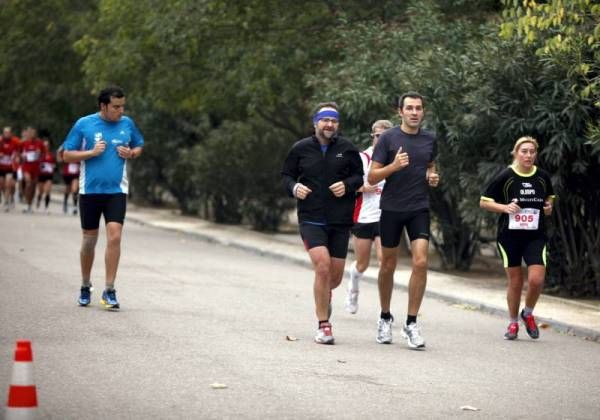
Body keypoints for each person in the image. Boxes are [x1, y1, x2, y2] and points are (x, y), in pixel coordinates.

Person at [282, 102, 363, 344]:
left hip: (340, 220)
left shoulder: (347, 149)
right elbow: (286, 175)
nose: (329, 125)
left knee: (334, 278)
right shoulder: (301, 149)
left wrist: (347, 185)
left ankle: (324, 296)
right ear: (315, 122)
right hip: (311, 218)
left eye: (334, 121)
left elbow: (359, 177)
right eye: (325, 120)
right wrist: (294, 187)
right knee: (323, 267)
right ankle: (323, 325)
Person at [368, 92, 439, 349]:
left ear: (423, 112)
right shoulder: (388, 138)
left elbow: (430, 164)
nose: (414, 112)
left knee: (421, 262)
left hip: (419, 208)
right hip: (392, 209)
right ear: (400, 112)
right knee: (388, 265)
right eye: (409, 108)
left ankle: (411, 323)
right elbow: (373, 177)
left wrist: (432, 175)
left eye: (418, 108)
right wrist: (394, 166)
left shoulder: (430, 138)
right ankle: (385, 316)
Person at [62, 86, 144, 310]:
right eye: (116, 107)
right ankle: (85, 285)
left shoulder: (127, 123)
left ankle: (109, 290)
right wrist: (90, 153)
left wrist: (132, 153)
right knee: (89, 240)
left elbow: (138, 145)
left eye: (122, 106)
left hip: (116, 191)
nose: (121, 110)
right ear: (103, 106)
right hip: (90, 192)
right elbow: (66, 154)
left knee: (115, 236)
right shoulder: (84, 124)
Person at [480, 136, 555, 340]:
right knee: (515, 281)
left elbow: (549, 198)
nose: (528, 155)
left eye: (532, 151)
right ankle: (513, 323)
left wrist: (548, 207)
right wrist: (504, 207)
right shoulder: (506, 176)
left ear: (536, 154)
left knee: (537, 279)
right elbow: (484, 202)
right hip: (509, 236)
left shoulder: (542, 176)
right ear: (516, 153)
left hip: (535, 236)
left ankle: (528, 313)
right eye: (524, 151)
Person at [345, 119, 393, 314]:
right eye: (378, 136)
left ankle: (384, 308)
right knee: (362, 264)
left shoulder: (395, 160)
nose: (381, 140)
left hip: (385, 216)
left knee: (385, 261)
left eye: (386, 137)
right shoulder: (362, 157)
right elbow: (347, 182)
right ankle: (353, 288)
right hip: (364, 216)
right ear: (372, 136)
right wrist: (362, 187)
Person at [20, 127, 46, 213]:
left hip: (36, 168)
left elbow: (44, 154)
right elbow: (18, 153)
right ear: (28, 134)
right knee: (28, 183)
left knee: (34, 187)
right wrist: (22, 156)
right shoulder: (24, 143)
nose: (32, 135)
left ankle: (30, 205)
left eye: (34, 133)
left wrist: (40, 156)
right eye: (31, 133)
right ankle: (27, 202)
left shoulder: (40, 143)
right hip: (27, 167)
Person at [0, 126, 21, 211]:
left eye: (8, 132)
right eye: (5, 132)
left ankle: (6, 201)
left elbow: (19, 151)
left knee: (9, 184)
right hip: (1, 166)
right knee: (1, 184)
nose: (7, 134)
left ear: (11, 133)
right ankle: (4, 196)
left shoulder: (15, 141)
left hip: (10, 166)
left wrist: (17, 157)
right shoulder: (0, 140)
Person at [56, 144, 80, 215]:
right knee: (68, 189)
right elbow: (59, 160)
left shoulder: (80, 150)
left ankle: (75, 206)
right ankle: (65, 202)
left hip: (76, 174)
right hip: (67, 174)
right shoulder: (66, 149)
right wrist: (58, 152)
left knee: (75, 189)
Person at [36, 134, 56, 213]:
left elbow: (55, 165)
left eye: (47, 145)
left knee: (47, 191)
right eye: (44, 145)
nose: (46, 147)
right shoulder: (40, 154)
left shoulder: (52, 154)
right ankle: (38, 200)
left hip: (49, 175)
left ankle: (46, 207)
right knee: (41, 191)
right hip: (41, 175)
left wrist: (54, 167)